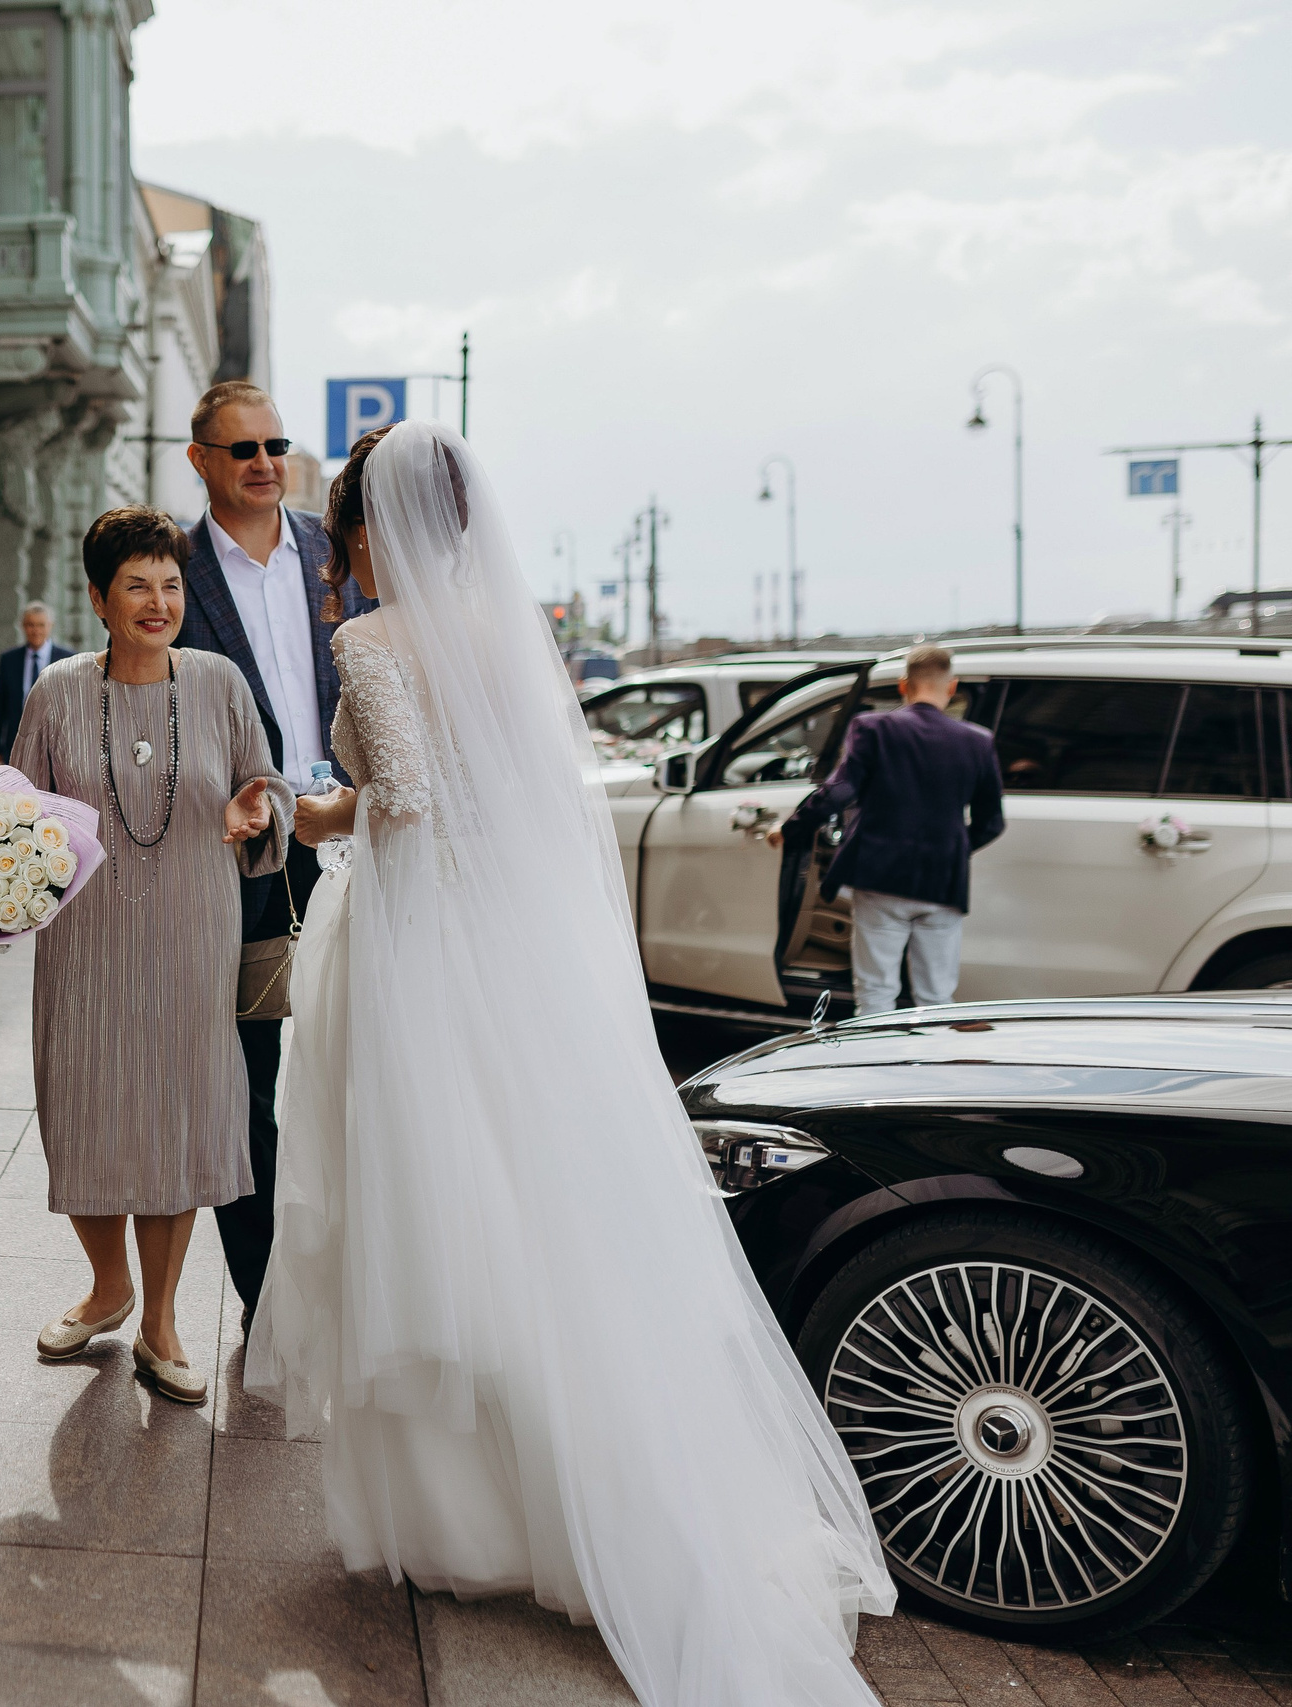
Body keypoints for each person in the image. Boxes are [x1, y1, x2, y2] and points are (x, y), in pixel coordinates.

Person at [245, 420, 894, 1707]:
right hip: (522, 952)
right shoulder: (509, 637)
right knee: (549, 1216)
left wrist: (309, 806)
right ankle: (587, 1498)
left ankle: (466, 1524)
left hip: (421, 951)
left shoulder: (368, 641)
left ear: (373, 521)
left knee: (433, 1213)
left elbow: (406, 801)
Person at [10, 506, 290, 1405]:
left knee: (174, 1113)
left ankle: (161, 1319)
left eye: (170, 583)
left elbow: (268, 785)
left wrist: (259, 811)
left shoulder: (219, 683)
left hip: (190, 937)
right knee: (88, 1104)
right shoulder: (54, 692)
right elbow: (17, 811)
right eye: (137, 584)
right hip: (86, 942)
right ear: (99, 597)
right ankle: (107, 1285)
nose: (159, 600)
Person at [172, 380, 369, 1328]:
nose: (263, 461)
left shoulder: (339, 555)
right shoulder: (168, 567)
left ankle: (370, 1279)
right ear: (201, 460)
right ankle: (270, 1297)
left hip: (354, 837)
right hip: (238, 853)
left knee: (361, 1064)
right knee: (242, 1077)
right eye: (242, 448)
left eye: (275, 444)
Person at [771, 645, 1005, 1015]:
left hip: (881, 876)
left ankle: (879, 1067)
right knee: (936, 997)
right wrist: (954, 848)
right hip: (943, 881)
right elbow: (992, 823)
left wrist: (790, 829)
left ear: (902, 685)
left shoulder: (873, 728)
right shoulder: (977, 741)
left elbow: (840, 790)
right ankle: (932, 1065)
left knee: (876, 992)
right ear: (952, 686)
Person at [0, 602, 72, 764]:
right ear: (23, 626)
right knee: (18, 789)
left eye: (41, 625)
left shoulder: (67, 659)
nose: (36, 630)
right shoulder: (9, 659)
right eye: (30, 625)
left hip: (57, 745)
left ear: (50, 626)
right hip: (17, 743)